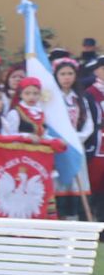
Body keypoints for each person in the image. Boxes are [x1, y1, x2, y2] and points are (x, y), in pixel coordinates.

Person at [52, 59, 97, 220]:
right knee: (58, 185)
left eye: (70, 74)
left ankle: (74, 225)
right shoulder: (50, 100)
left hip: (76, 148)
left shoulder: (80, 99)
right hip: (56, 150)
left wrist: (73, 139)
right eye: (62, 74)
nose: (66, 78)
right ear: (56, 76)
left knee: (76, 187)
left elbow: (89, 125)